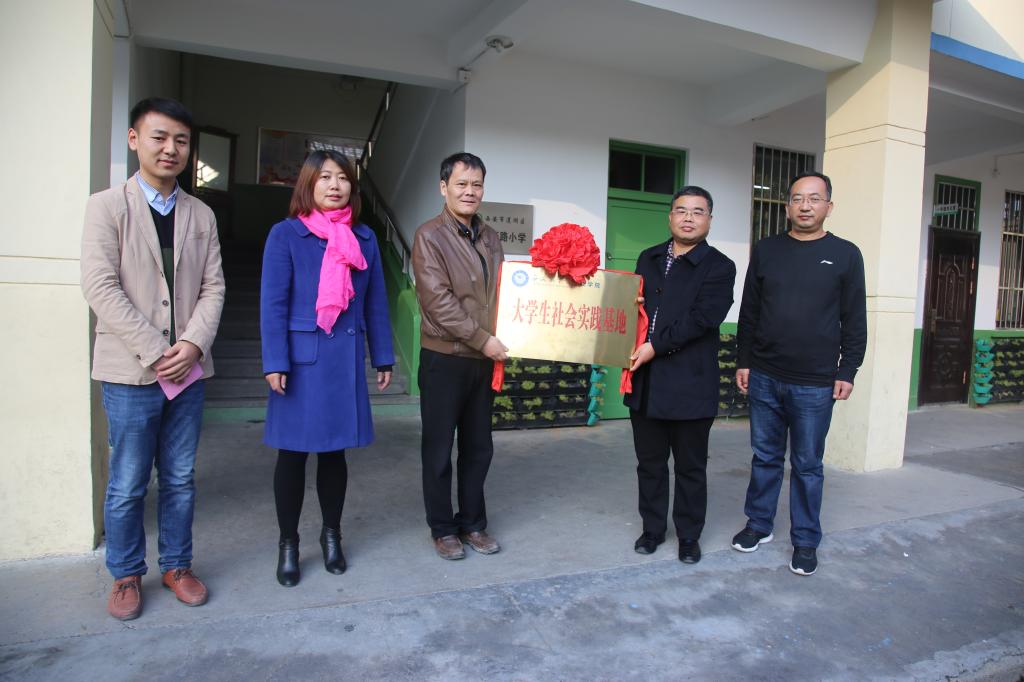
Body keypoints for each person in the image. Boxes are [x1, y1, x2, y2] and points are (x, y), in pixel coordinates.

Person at [81, 97, 225, 620]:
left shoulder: (201, 213)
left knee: (181, 477)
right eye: (160, 137)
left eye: (181, 141)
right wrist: (156, 349)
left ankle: (177, 566)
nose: (171, 149)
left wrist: (193, 345)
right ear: (134, 140)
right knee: (127, 482)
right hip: (130, 370)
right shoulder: (106, 207)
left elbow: (213, 287)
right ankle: (125, 574)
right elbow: (99, 285)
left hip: (188, 371)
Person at [260, 150, 394, 586]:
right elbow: (273, 303)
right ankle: (288, 543)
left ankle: (331, 535)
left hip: (343, 361)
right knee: (292, 454)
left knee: (335, 454)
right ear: (308, 184)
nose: (335, 185)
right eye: (324, 177)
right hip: (300, 363)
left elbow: (375, 302)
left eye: (343, 178)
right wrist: (275, 360)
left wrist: (383, 354)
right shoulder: (286, 235)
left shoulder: (365, 238)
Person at [732, 171, 867, 577]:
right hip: (765, 374)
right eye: (797, 198)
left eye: (814, 198)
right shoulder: (767, 250)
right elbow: (750, 311)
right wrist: (744, 360)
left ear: (829, 206)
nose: (805, 206)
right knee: (765, 457)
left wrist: (848, 369)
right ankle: (759, 524)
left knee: (807, 464)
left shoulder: (846, 254)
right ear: (787, 206)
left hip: (815, 382)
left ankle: (805, 540)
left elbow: (854, 318)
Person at [625, 186, 736, 564]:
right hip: (646, 382)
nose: (688, 218)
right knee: (649, 464)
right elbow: (634, 308)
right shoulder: (649, 257)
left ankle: (689, 535)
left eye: (697, 211)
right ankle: (652, 529)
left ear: (709, 220)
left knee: (690, 466)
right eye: (681, 210)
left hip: (691, 383)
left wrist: (654, 346)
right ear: (670, 216)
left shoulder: (719, 266)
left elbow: (703, 319)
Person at [412, 152, 508, 560]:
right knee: (438, 448)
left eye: (477, 184)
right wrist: (483, 339)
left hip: (483, 360)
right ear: (444, 187)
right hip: (445, 358)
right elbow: (438, 302)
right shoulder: (429, 236)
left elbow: (506, 290)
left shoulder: (490, 237)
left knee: (478, 446)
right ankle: (442, 528)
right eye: (461, 184)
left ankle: (473, 523)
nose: (470, 191)